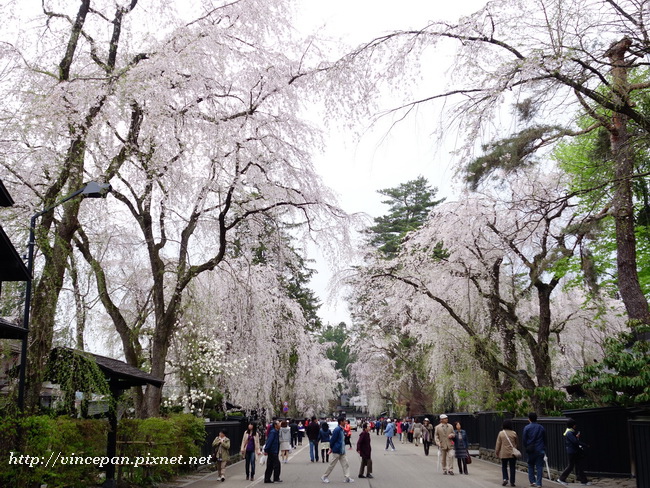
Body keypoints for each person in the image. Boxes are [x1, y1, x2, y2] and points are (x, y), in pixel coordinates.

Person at [558, 418, 591, 486]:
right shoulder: (570, 433)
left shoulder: (569, 432)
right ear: (573, 425)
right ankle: (561, 478)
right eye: (574, 425)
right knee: (572, 465)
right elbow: (575, 442)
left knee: (578, 465)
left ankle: (584, 480)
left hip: (573, 451)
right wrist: (584, 445)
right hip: (572, 451)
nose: (575, 426)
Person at [321, 416, 354, 483]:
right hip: (337, 450)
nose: (345, 422)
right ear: (341, 422)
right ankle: (324, 476)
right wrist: (331, 448)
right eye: (344, 421)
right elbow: (333, 440)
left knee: (346, 464)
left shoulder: (342, 429)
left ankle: (347, 477)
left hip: (342, 450)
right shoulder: (337, 429)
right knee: (332, 465)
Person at [522, 412, 546, 487]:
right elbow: (545, 439)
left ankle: (532, 481)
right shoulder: (541, 427)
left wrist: (527, 446)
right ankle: (539, 483)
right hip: (540, 449)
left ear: (529, 419)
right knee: (539, 466)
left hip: (531, 449)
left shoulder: (527, 428)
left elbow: (524, 439)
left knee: (530, 465)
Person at [495, 418, 519, 487]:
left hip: (503, 453)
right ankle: (512, 481)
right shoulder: (514, 433)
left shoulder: (501, 433)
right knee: (512, 467)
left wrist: (497, 451)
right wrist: (517, 449)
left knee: (504, 466)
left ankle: (505, 478)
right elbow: (517, 443)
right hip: (512, 453)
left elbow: (498, 444)